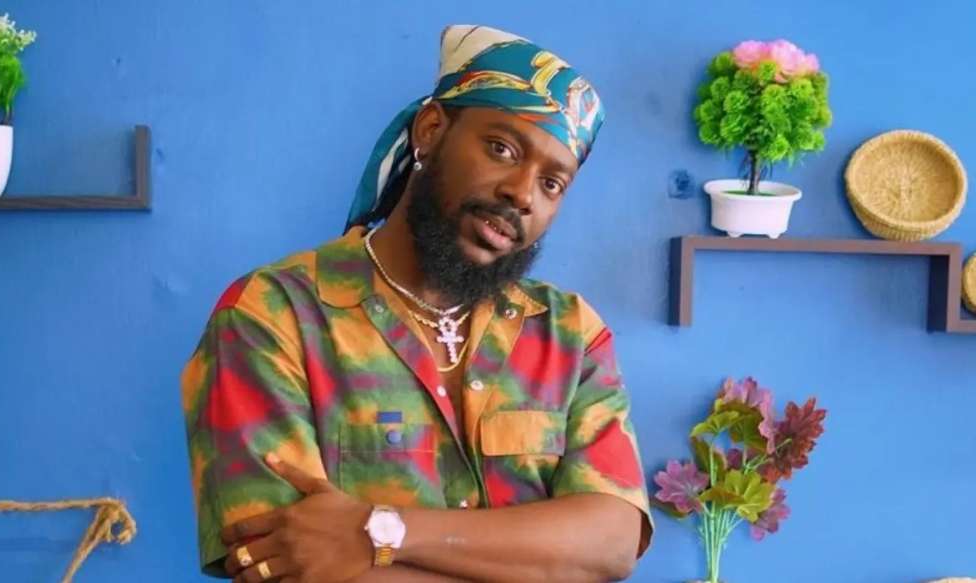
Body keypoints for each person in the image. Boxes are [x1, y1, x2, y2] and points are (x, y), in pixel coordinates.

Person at [181, 24, 653, 583]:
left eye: (553, 183)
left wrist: (383, 533)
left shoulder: (569, 334)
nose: (523, 194)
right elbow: (284, 564)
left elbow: (613, 542)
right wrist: (544, 560)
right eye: (502, 149)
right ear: (430, 131)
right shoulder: (270, 316)